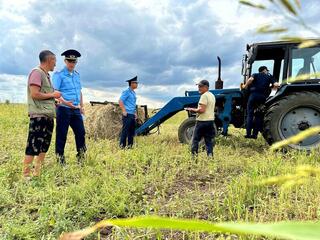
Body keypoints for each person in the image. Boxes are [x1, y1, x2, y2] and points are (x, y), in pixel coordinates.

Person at [23, 50, 61, 178]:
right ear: (49, 60)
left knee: (44, 146)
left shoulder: (46, 75)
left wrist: (53, 101)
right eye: (54, 61)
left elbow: (43, 95)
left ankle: (37, 173)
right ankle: (26, 176)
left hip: (48, 116)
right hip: (39, 117)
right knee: (33, 146)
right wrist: (53, 94)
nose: (55, 64)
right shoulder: (36, 73)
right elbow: (34, 94)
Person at [53, 49, 86, 165]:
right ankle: (60, 160)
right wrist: (66, 103)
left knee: (81, 132)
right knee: (62, 134)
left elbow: (79, 91)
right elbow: (55, 93)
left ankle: (81, 158)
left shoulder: (77, 75)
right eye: (70, 61)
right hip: (63, 109)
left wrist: (81, 106)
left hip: (76, 110)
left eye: (74, 61)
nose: (72, 64)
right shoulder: (59, 75)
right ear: (65, 61)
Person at [242, 66, 280, 139]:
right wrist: (273, 86)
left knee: (250, 114)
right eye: (267, 70)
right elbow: (276, 85)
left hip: (253, 96)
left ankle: (248, 134)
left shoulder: (255, 74)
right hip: (262, 98)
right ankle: (255, 135)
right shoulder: (269, 77)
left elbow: (250, 79)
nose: (267, 72)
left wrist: (245, 86)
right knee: (258, 116)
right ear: (264, 70)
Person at [185, 80, 216, 157]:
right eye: (198, 86)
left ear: (206, 87)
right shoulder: (212, 95)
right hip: (210, 122)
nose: (199, 88)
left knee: (195, 140)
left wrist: (191, 109)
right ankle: (210, 157)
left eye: (200, 86)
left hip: (202, 122)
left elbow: (201, 110)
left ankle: (194, 158)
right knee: (208, 141)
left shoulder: (204, 96)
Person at [119, 76, 138, 149]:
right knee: (125, 131)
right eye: (135, 83)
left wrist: (135, 113)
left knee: (131, 132)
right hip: (127, 114)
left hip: (132, 114)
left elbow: (133, 103)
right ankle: (122, 147)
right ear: (131, 83)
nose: (137, 84)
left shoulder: (133, 92)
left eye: (137, 83)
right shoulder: (126, 91)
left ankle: (130, 146)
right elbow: (120, 101)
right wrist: (124, 110)